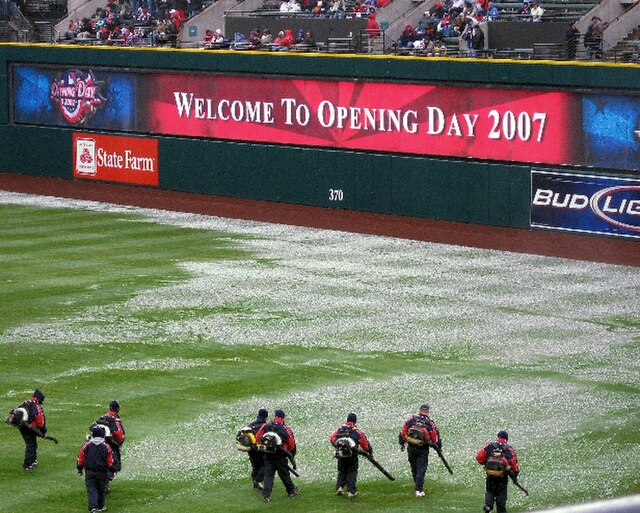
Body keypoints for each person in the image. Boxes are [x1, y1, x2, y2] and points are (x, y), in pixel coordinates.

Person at [255, 409, 298, 503]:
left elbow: (258, 437)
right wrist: (290, 454)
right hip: (280, 456)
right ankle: (291, 491)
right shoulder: (285, 428)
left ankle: (266, 496)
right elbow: (291, 444)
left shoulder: (266, 425)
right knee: (284, 474)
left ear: (275, 416)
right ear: (283, 417)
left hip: (268, 454)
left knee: (268, 475)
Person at [399, 403, 441, 497]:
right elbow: (435, 437)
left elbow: (403, 432)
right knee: (421, 469)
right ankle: (419, 490)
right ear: (428, 411)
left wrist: (402, 443)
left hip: (411, 447)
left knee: (414, 467)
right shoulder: (430, 422)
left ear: (420, 410)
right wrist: (439, 447)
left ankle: (417, 485)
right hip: (423, 449)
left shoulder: (411, 419)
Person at [329, 412, 372, 498]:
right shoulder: (357, 432)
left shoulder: (340, 429)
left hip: (341, 454)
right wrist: (369, 452)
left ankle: (339, 487)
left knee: (342, 471)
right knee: (352, 472)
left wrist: (338, 447)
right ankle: (351, 492)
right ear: (355, 421)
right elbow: (365, 445)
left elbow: (332, 438)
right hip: (352, 455)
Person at [476, 430, 520, 513]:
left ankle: (488, 506)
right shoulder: (508, 448)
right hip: (502, 477)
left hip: (491, 475)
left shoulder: (489, 445)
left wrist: (485, 463)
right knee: (501, 494)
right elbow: (513, 463)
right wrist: (515, 475)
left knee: (490, 491)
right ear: (506, 439)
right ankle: (501, 510)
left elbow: (479, 457)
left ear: (498, 437)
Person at [77, 425, 114, 513]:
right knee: (101, 489)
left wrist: (80, 469)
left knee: (92, 489)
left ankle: (93, 507)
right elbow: (110, 461)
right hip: (102, 472)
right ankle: (101, 506)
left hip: (89, 472)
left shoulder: (86, 445)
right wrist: (111, 471)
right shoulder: (106, 446)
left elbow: (81, 458)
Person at [13, 389, 47, 470]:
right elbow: (40, 422)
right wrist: (43, 432)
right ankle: (28, 464)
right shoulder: (37, 406)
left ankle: (32, 460)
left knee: (30, 443)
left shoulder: (26, 402)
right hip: (30, 428)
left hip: (21, 426)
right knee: (31, 444)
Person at [242, 408, 269, 489]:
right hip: (260, 449)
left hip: (250, 450)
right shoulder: (266, 426)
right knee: (264, 465)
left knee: (255, 466)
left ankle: (255, 482)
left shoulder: (250, 425)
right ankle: (257, 480)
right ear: (266, 417)